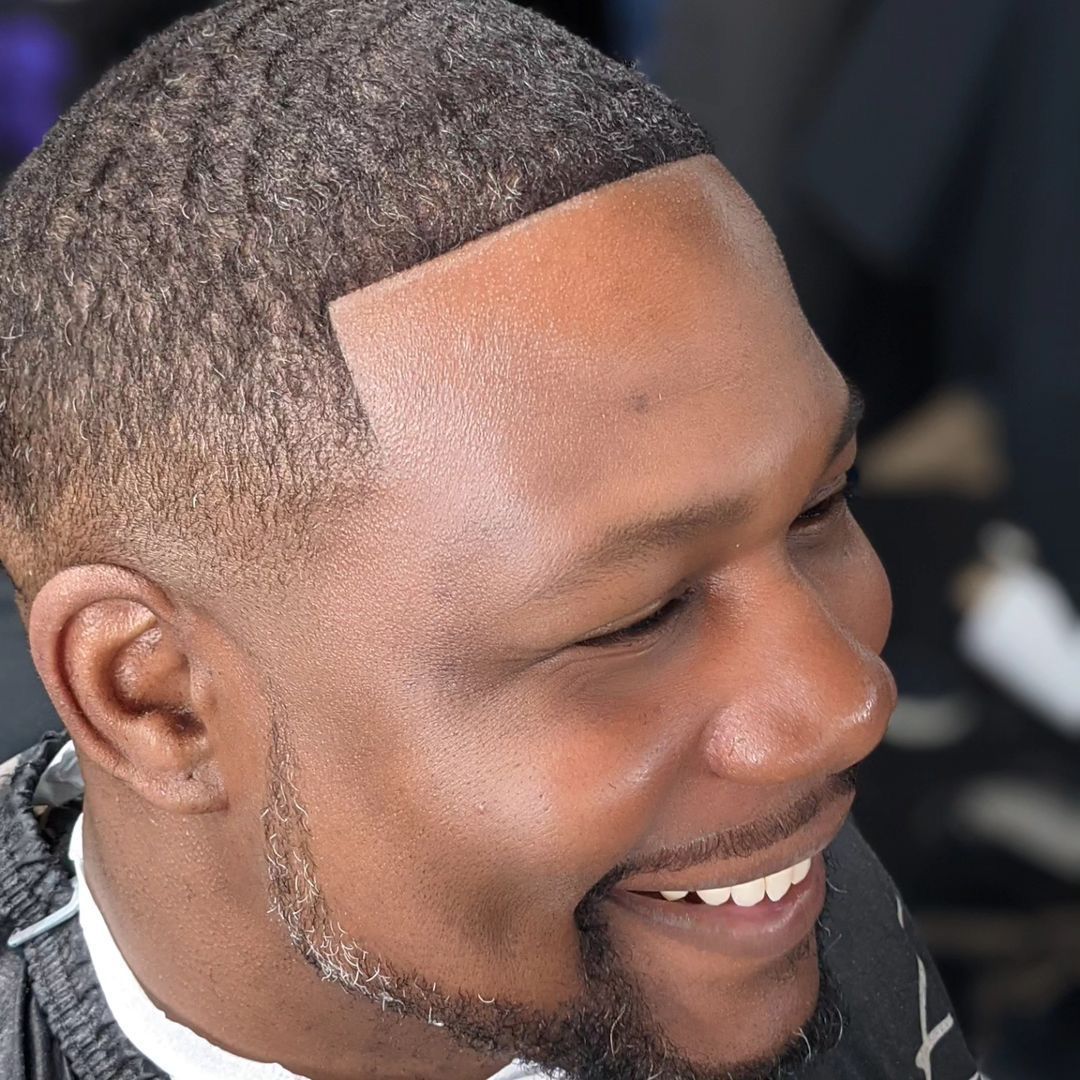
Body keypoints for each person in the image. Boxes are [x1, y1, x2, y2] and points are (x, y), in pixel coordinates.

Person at [0, 1, 984, 1077]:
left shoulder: (733, 879)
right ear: (158, 700)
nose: (845, 707)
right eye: (636, 618)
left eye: (820, 505)